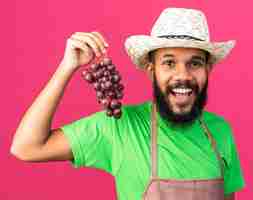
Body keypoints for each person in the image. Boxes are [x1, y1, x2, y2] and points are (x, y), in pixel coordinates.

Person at [10, 7, 245, 200]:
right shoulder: (121, 127)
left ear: (207, 69)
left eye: (194, 63)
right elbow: (26, 147)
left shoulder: (220, 131)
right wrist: (67, 67)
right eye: (169, 63)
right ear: (151, 71)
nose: (182, 75)